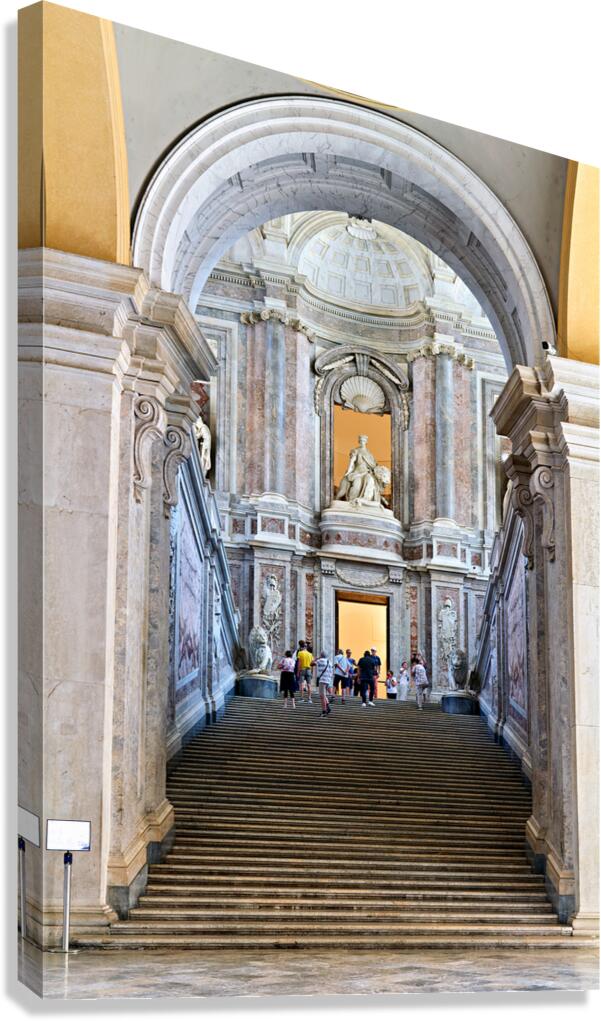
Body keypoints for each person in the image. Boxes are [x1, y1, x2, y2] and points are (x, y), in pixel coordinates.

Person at [313, 650, 333, 717]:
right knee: (324, 695)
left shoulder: (320, 660)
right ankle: (328, 707)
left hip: (322, 680)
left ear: (321, 655)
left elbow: (311, 663)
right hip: (328, 680)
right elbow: (331, 672)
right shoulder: (329, 662)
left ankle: (324, 711)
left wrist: (316, 658)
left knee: (322, 696)